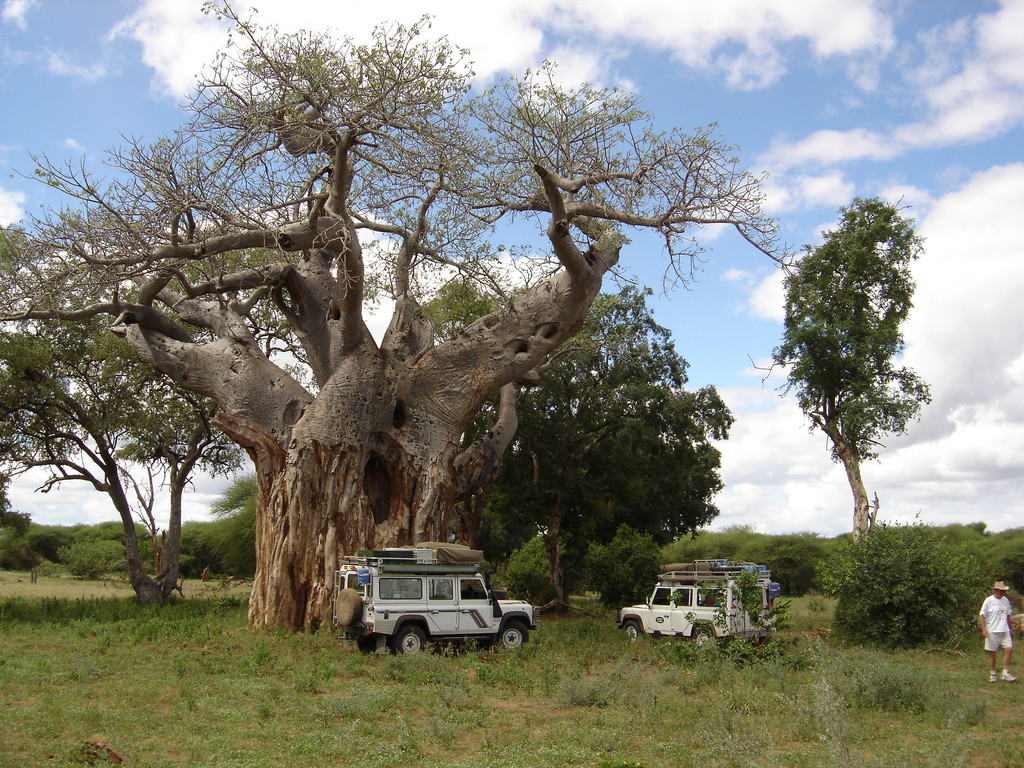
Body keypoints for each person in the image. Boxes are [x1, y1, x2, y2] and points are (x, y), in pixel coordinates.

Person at [979, 581, 1017, 683]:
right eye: (1000, 591)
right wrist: (984, 629)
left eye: (1003, 591)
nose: (1001, 593)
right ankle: (993, 674)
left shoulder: (1005, 601)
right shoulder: (989, 601)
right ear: (995, 590)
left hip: (1004, 629)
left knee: (1009, 649)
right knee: (993, 652)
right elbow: (982, 615)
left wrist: (1010, 629)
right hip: (993, 630)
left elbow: (1008, 615)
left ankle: (1005, 672)